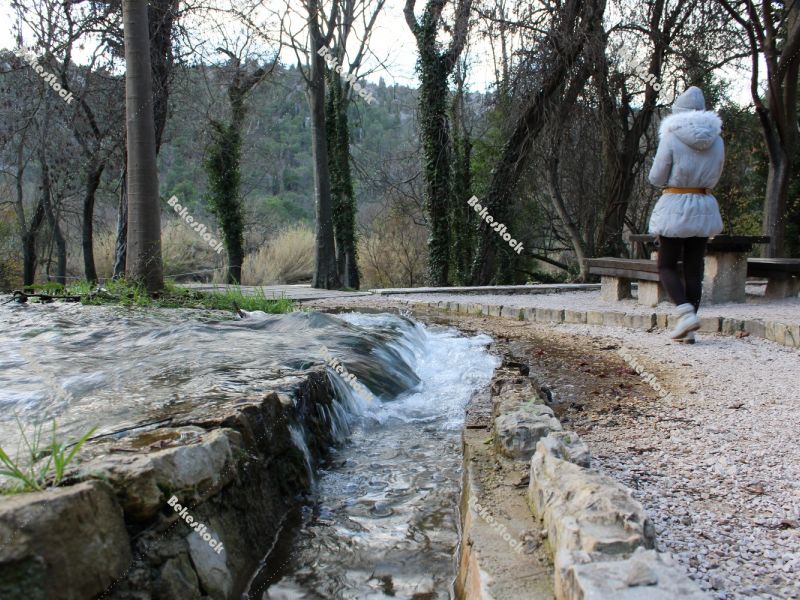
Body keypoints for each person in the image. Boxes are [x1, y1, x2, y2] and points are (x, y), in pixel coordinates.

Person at [648, 86, 724, 344]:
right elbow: (716, 176)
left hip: (676, 203)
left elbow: (657, 176)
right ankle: (688, 329)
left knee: (666, 264)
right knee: (694, 269)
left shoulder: (671, 136)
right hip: (703, 203)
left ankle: (684, 313)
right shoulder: (717, 139)